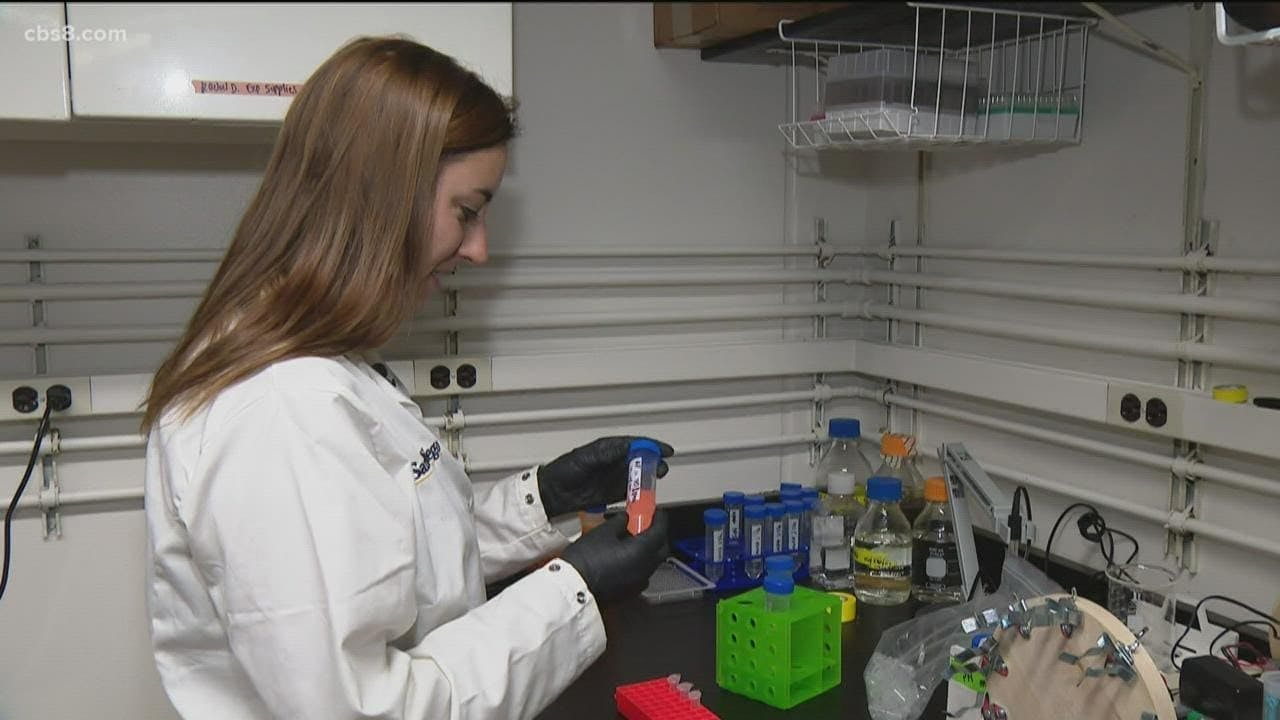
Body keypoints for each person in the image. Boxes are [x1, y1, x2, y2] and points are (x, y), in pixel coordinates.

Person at [139, 36, 673, 720]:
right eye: (467, 211)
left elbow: (393, 570)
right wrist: (577, 589)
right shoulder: (280, 413)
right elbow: (367, 710)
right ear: (381, 197)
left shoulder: (321, 368)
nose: (478, 248)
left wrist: (542, 499)